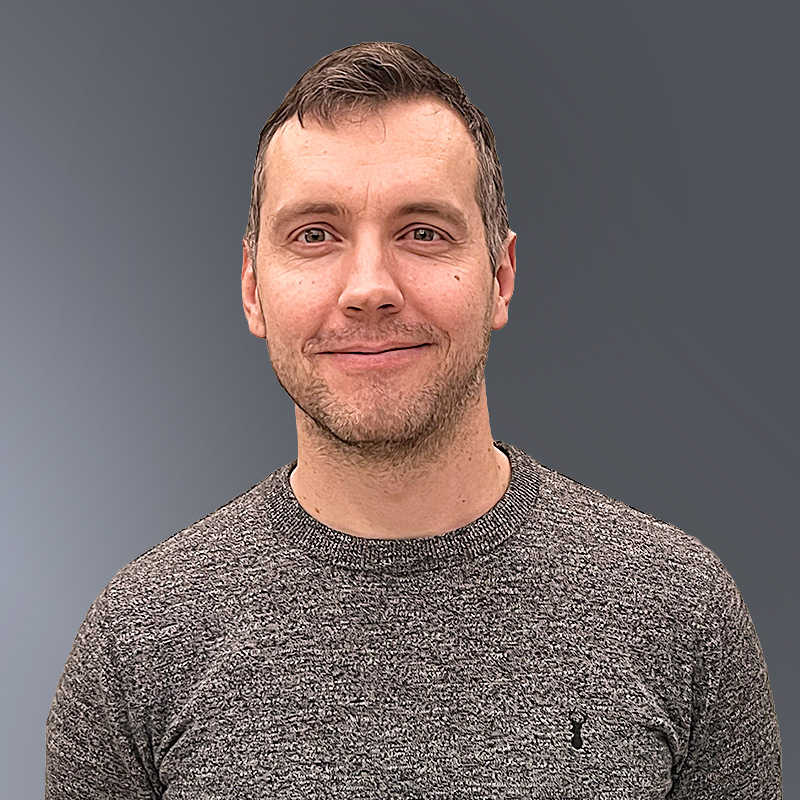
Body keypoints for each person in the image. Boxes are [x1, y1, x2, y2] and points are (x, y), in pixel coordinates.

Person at [45, 42, 781, 798]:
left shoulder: (680, 611)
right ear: (252, 287)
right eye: (315, 235)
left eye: (423, 232)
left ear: (501, 276)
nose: (369, 288)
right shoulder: (137, 643)